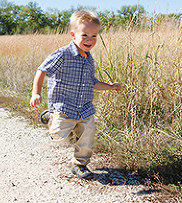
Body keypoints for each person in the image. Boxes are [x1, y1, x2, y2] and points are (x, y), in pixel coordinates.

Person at [29, 11, 121, 179]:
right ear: (73, 35)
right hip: (64, 105)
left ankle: (80, 165)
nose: (89, 39)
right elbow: (42, 70)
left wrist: (109, 86)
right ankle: (51, 116)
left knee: (87, 136)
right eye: (84, 35)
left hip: (85, 108)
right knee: (58, 138)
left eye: (94, 35)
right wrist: (36, 93)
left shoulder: (89, 59)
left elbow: (92, 82)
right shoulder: (63, 54)